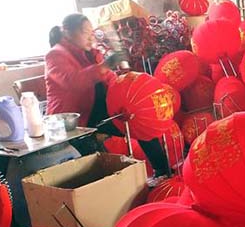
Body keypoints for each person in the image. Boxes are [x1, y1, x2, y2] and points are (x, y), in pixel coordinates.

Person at [45, 13, 169, 176]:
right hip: (74, 120)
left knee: (138, 118)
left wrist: (127, 82)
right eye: (85, 33)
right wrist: (105, 65)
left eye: (91, 33)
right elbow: (74, 81)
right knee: (95, 160)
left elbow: (111, 79)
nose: (90, 38)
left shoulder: (90, 53)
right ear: (67, 32)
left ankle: (163, 172)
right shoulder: (56, 55)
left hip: (96, 111)